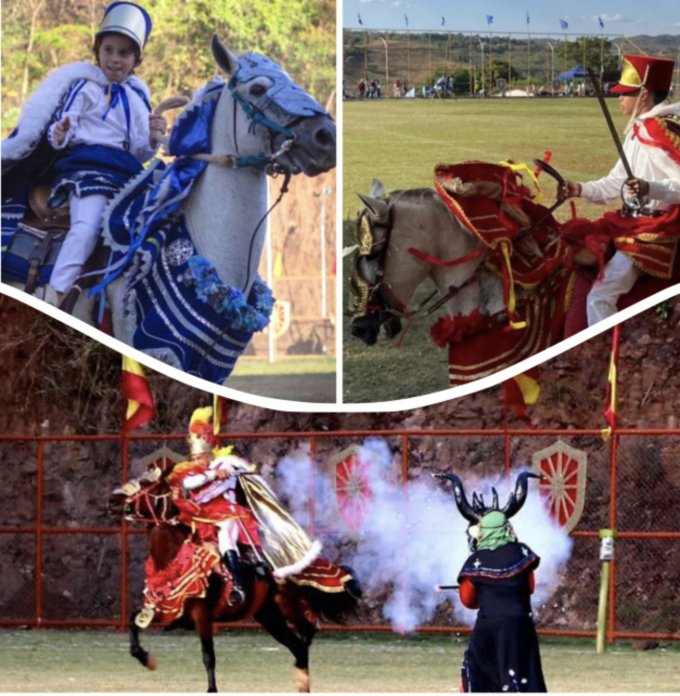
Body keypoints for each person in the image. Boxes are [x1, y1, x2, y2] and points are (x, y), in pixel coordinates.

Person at [2, 2, 166, 306]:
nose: (115, 60)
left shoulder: (139, 98)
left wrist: (155, 138)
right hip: (87, 169)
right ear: (98, 51)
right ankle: (55, 294)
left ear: (136, 60)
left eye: (124, 53)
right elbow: (60, 129)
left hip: (126, 174)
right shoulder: (85, 87)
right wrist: (60, 133)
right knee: (87, 226)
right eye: (109, 50)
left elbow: (140, 151)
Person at [559, 54, 680, 325]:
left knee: (600, 296)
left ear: (644, 95)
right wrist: (579, 189)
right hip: (629, 222)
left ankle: (606, 353)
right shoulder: (638, 130)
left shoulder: (660, 131)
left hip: (655, 230)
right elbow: (616, 182)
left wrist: (651, 188)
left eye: (625, 93)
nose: (619, 99)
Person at [167, 406, 323, 605]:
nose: (197, 461)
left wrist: (214, 475)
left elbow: (211, 493)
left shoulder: (227, 465)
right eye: (195, 458)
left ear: (209, 455)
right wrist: (210, 475)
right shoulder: (201, 471)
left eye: (200, 457)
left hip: (229, 515)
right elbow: (188, 483)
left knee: (226, 539)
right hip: (202, 517)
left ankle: (238, 586)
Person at [437, 472, 547, 692]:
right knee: (524, 674)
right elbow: (530, 588)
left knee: (478, 671)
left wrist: (487, 593)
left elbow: (468, 600)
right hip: (520, 627)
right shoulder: (521, 553)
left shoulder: (475, 561)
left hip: (489, 628)